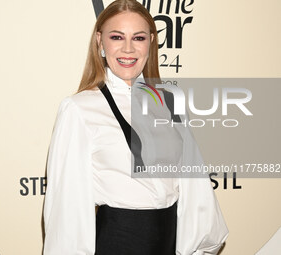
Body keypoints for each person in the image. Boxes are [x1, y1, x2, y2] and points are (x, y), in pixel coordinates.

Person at [43, 0, 229, 254]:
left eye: (138, 38)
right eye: (117, 37)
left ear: (151, 42)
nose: (128, 49)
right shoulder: (79, 109)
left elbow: (196, 187)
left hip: (170, 244)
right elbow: (66, 204)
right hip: (117, 244)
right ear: (100, 41)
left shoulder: (170, 101)